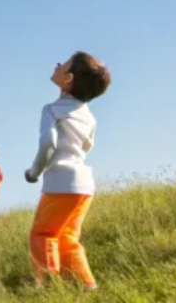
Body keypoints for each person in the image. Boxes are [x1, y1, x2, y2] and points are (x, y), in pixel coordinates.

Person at [24, 52, 111, 290]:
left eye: (63, 63)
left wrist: (33, 172)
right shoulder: (89, 117)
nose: (57, 63)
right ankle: (87, 285)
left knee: (42, 234)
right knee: (67, 238)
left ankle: (47, 288)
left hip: (60, 182)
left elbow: (47, 144)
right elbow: (87, 146)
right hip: (84, 184)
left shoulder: (52, 110)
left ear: (68, 78)